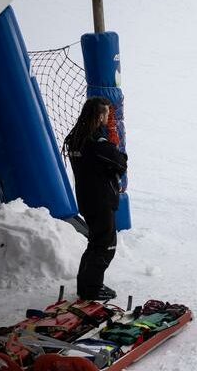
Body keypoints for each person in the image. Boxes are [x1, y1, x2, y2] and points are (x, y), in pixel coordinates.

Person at [62, 97, 128, 301]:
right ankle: (92, 288)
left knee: (95, 243)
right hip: (100, 200)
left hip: (86, 197)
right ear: (99, 115)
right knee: (105, 245)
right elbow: (120, 162)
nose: (108, 117)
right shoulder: (95, 141)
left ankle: (86, 285)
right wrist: (114, 152)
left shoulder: (75, 137)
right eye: (106, 114)